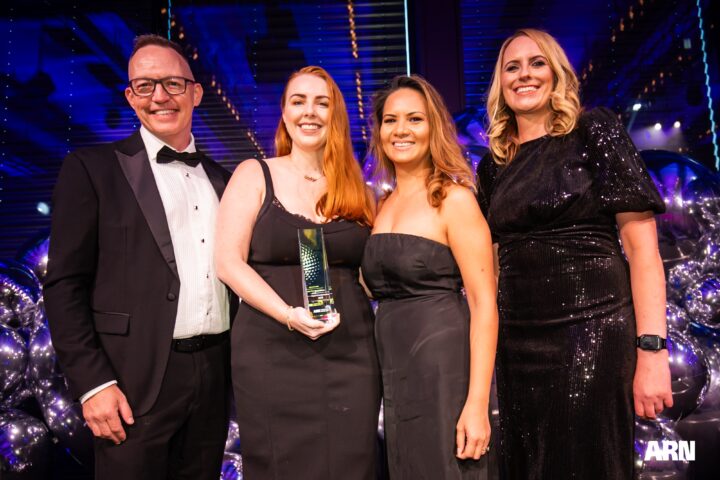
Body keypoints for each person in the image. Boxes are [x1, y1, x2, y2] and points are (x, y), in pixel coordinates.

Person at [476, 28, 673, 479]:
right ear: (500, 84)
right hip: (518, 348)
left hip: (594, 335)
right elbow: (488, 268)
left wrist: (652, 351)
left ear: (557, 73)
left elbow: (643, 252)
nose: (524, 75)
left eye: (537, 63)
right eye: (512, 67)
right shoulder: (492, 167)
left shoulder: (593, 131)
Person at [43, 34, 234, 480]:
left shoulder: (225, 181)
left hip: (214, 374)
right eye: (145, 86)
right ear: (130, 97)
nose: (159, 96)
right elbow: (65, 285)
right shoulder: (91, 169)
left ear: (196, 93)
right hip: (130, 382)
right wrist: (94, 384)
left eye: (172, 83)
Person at [215, 65, 381, 480]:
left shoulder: (358, 189)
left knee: (351, 465)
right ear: (285, 114)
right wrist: (289, 314)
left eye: (322, 103)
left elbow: (371, 273)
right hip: (271, 353)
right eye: (298, 101)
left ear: (335, 114)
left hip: (351, 353)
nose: (310, 112)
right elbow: (227, 262)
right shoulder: (254, 173)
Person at [361, 75, 498, 479]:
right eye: (390, 120)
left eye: (414, 119)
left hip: (444, 368)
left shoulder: (455, 199)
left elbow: (484, 305)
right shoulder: (380, 205)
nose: (400, 130)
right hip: (393, 368)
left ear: (433, 127)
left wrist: (477, 403)